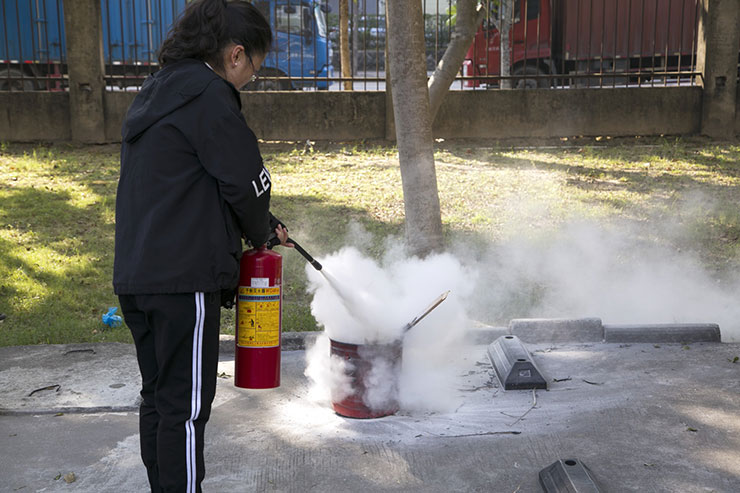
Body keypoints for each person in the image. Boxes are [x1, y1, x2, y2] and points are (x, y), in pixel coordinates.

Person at [113, 1, 290, 491]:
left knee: (159, 401)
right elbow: (247, 183)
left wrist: (259, 222)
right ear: (236, 55)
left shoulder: (159, 90)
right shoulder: (211, 96)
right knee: (186, 412)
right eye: (254, 66)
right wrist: (259, 228)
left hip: (137, 275)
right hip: (182, 281)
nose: (251, 76)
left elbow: (193, 181)